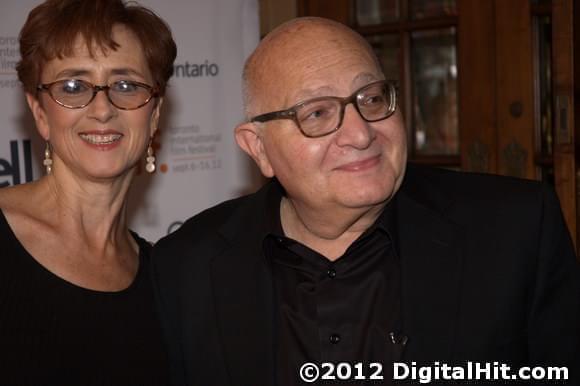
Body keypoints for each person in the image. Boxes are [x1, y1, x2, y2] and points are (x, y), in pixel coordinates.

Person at [151, 17, 580, 386]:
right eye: (317, 113)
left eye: (371, 99)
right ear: (258, 148)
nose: (360, 134)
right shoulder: (187, 266)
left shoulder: (516, 230)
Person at [0, 0, 176, 384]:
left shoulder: (166, 282)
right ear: (40, 112)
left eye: (126, 85)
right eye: (73, 86)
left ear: (155, 114)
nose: (102, 109)